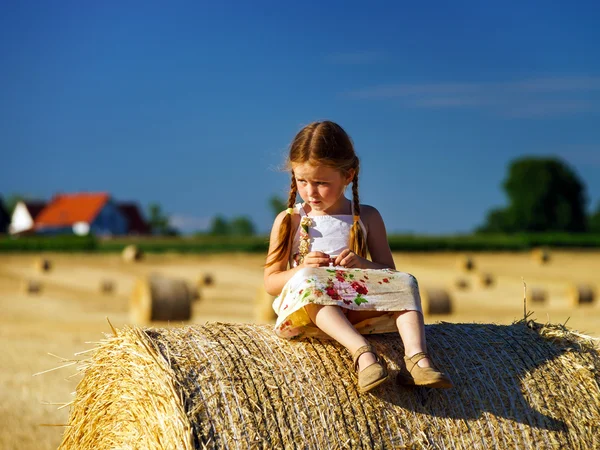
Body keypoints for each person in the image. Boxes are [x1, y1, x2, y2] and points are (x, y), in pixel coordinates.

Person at [264, 120, 452, 393]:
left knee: (406, 281)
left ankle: (416, 359)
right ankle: (363, 355)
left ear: (348, 175)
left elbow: (389, 273)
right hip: (310, 315)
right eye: (301, 181)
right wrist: (301, 269)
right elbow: (270, 283)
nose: (310, 191)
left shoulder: (368, 216)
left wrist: (363, 265)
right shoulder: (290, 220)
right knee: (309, 280)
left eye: (321, 183)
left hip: (359, 310)